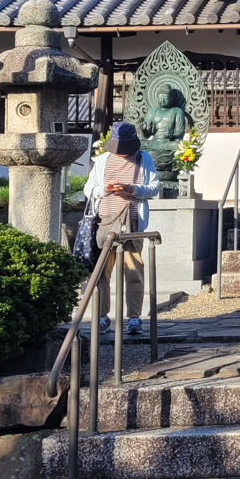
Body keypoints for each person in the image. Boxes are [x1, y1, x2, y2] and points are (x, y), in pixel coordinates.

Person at [83, 121, 160, 335]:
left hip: (132, 221)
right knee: (101, 273)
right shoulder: (101, 161)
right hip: (105, 220)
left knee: (133, 269)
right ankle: (101, 316)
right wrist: (104, 189)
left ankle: (134, 317)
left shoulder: (144, 159)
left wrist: (133, 189)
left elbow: (154, 187)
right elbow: (89, 189)